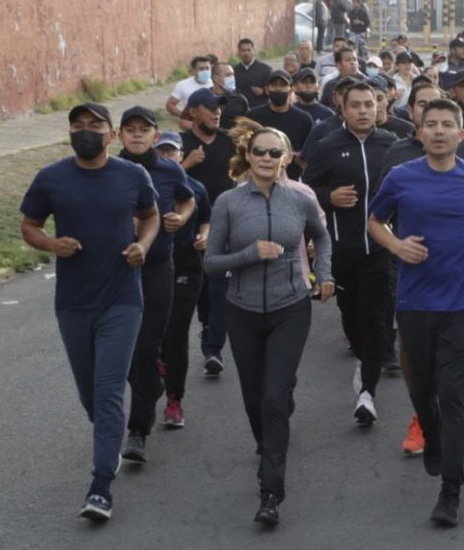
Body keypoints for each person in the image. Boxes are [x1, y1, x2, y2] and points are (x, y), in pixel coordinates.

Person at [367, 99, 464, 527]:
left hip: (463, 302)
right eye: (433, 124)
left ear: (461, 134)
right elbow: (374, 221)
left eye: (449, 125)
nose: (440, 131)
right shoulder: (401, 177)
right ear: (420, 132)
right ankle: (428, 431)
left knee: (453, 392)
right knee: (421, 387)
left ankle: (451, 491)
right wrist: (396, 246)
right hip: (415, 300)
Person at [19, 102, 159, 521]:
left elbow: (149, 216)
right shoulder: (51, 178)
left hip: (122, 298)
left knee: (109, 389)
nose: (86, 131)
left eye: (95, 125)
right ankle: (109, 438)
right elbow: (29, 225)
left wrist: (143, 246)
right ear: (68, 134)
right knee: (90, 395)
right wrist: (50, 245)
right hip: (74, 301)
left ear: (110, 134)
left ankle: (100, 486)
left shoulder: (132, 175)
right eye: (77, 125)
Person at [204, 123, 333, 526]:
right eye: (259, 151)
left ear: (286, 158)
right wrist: (248, 254)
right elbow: (210, 263)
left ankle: (270, 491)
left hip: (291, 306)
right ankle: (268, 442)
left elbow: (322, 237)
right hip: (242, 310)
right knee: (254, 399)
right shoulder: (228, 202)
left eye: (274, 153)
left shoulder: (301, 198)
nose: (266, 158)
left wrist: (324, 274)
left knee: (274, 399)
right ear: (248, 155)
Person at [302, 82, 397, 426]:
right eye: (355, 105)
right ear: (342, 108)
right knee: (352, 316)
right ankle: (363, 356)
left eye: (368, 104)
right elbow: (303, 190)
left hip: (381, 249)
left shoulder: (391, 145)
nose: (362, 111)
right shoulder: (327, 146)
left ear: (378, 107)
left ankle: (367, 393)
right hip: (341, 248)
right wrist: (329, 197)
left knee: (375, 317)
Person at [116, 106, 195, 464]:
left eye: (143, 130)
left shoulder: (169, 168)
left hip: (158, 268)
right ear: (119, 135)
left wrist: (181, 217)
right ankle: (151, 387)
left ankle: (137, 431)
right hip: (114, 271)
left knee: (147, 345)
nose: (136, 135)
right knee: (125, 350)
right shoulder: (108, 171)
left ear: (154, 135)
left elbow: (188, 197)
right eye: (129, 129)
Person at [154, 130, 211, 429]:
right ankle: (157, 366)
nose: (167, 156)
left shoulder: (196, 188)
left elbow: (206, 217)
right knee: (152, 331)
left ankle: (175, 401)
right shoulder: (146, 185)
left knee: (176, 331)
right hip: (152, 265)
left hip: (187, 263)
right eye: (161, 152)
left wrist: (204, 235)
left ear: (180, 154)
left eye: (171, 151)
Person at [180, 89, 236, 375]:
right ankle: (206, 326)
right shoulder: (181, 143)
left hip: (225, 226)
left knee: (220, 289)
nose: (217, 113)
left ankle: (213, 349)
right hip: (188, 228)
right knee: (200, 290)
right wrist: (185, 165)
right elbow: (160, 179)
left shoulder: (229, 141)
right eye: (210, 107)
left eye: (219, 108)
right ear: (192, 111)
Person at [247, 70, 313, 180]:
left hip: (292, 180)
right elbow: (244, 149)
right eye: (274, 85)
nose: (278, 89)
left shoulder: (304, 119)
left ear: (291, 89)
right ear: (267, 89)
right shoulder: (253, 117)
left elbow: (309, 154)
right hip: (258, 179)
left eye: (282, 85)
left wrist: (298, 157)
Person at [166, 56, 213, 129]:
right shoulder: (183, 85)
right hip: (192, 126)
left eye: (207, 68)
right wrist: (183, 115)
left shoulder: (215, 83)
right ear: (194, 70)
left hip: (212, 123)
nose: (205, 71)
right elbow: (170, 105)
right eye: (201, 69)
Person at [234, 39, 272, 108]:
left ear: (253, 51)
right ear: (239, 52)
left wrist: (262, 91)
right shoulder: (234, 71)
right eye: (243, 50)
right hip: (240, 109)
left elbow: (273, 90)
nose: (246, 53)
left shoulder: (266, 69)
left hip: (260, 109)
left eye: (249, 50)